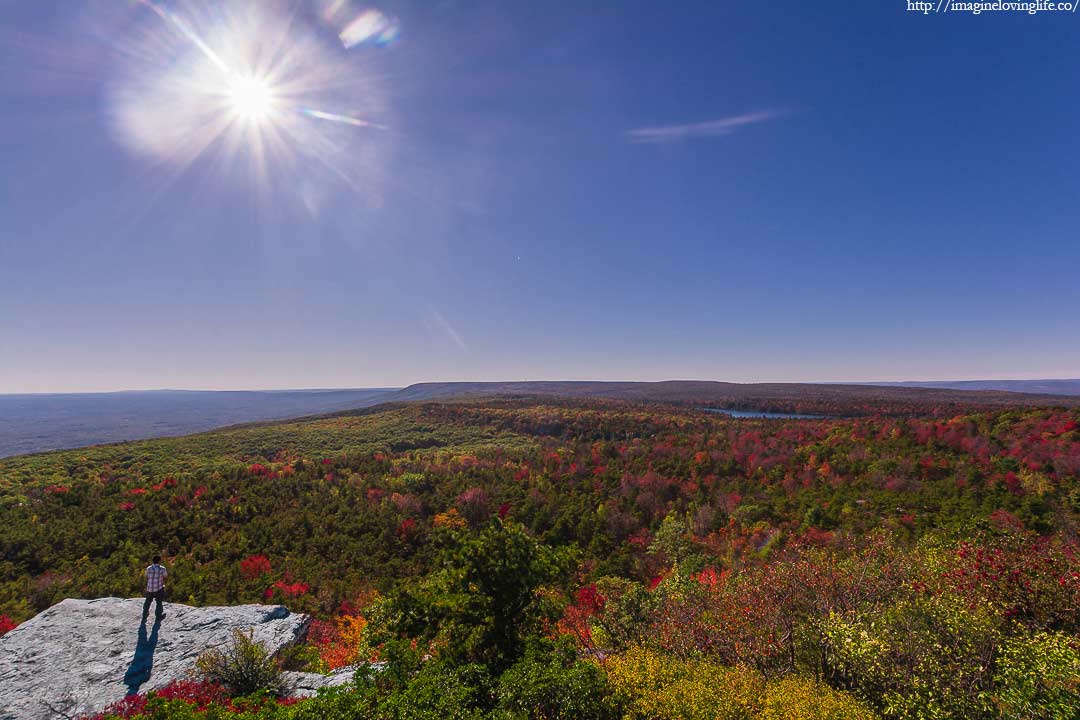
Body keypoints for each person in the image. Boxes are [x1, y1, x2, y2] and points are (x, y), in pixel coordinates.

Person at [142, 555, 168, 622]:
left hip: (149, 589)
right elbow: (165, 577)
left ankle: (144, 615)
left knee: (147, 602)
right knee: (159, 603)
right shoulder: (162, 568)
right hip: (158, 588)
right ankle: (158, 617)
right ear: (159, 561)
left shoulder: (148, 568)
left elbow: (146, 576)